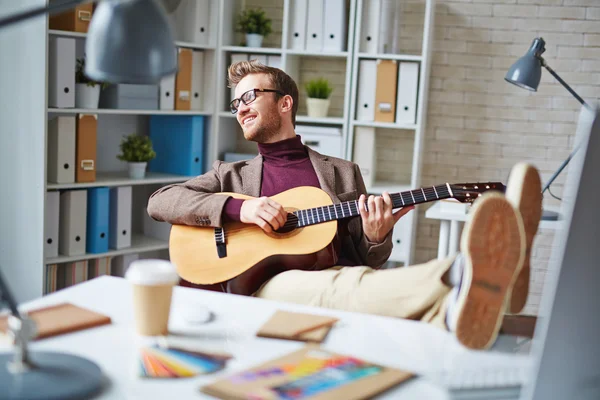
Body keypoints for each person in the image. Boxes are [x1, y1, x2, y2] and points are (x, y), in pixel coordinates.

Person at [147, 60, 543, 350]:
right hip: (259, 287)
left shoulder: (342, 174)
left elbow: (362, 260)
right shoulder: (230, 176)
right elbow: (161, 201)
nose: (242, 108)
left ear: (285, 103)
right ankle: (469, 272)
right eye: (236, 104)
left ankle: (461, 306)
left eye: (250, 96)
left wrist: (376, 236)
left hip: (335, 281)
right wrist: (241, 210)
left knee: (353, 286)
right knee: (343, 287)